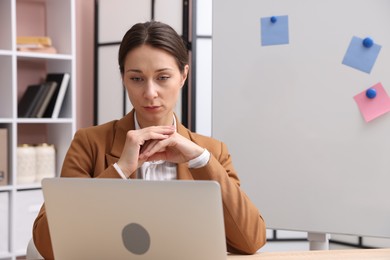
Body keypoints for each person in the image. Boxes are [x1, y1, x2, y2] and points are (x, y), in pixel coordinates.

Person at [33, 21, 266, 259]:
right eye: (137, 79)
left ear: (183, 75)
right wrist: (120, 170)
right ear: (123, 77)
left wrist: (200, 160)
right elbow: (48, 244)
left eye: (163, 77)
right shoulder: (89, 143)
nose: (150, 93)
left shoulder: (211, 151)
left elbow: (251, 240)